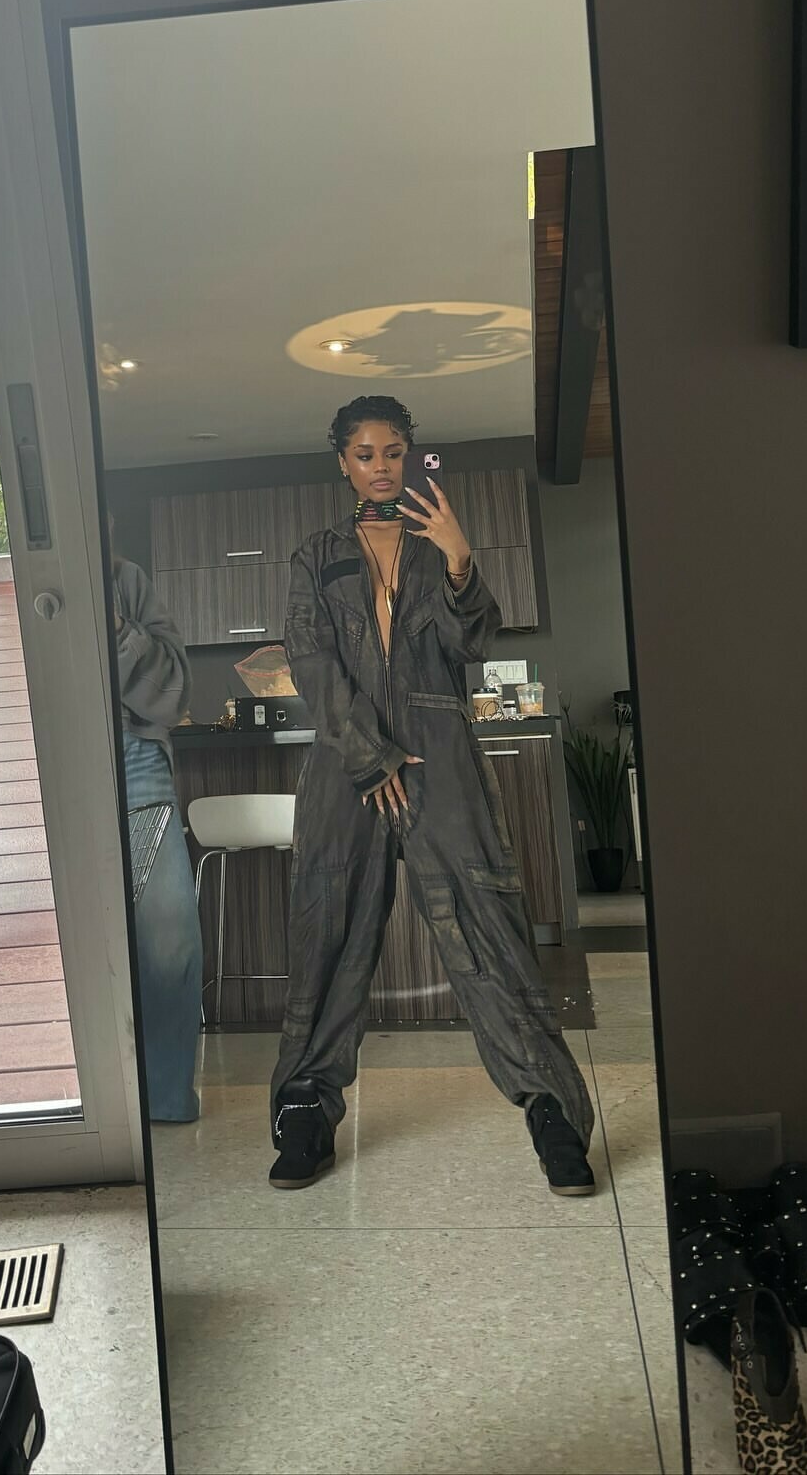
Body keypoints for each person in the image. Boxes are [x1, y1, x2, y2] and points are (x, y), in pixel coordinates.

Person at [267, 397, 596, 1194]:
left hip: (441, 755)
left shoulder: (434, 544)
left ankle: (551, 1112)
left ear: (409, 456)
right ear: (342, 463)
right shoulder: (315, 557)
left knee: (489, 928)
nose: (380, 466)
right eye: (364, 453)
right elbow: (311, 661)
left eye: (393, 451)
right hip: (347, 772)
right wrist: (368, 757)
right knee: (328, 934)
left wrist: (458, 561)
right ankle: (305, 1110)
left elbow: (469, 645)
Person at [113, 531, 204, 1123]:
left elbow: (173, 698)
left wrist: (118, 626)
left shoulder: (127, 580)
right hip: (49, 758)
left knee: (171, 940)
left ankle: (166, 1098)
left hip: (135, 758)